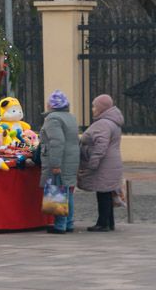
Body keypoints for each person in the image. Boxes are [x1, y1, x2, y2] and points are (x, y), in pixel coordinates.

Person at [79, 94, 125, 232]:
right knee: (107, 192)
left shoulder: (103, 123)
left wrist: (93, 162)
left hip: (104, 164)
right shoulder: (113, 122)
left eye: (94, 106)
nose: (93, 109)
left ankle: (102, 223)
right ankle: (109, 222)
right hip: (112, 162)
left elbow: (101, 146)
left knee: (103, 193)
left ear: (101, 108)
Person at [40, 90, 80, 234]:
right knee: (68, 191)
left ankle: (60, 225)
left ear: (51, 105)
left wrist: (55, 164)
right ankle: (69, 223)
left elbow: (57, 142)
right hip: (71, 159)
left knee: (58, 190)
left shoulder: (53, 119)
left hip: (61, 160)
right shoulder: (71, 117)